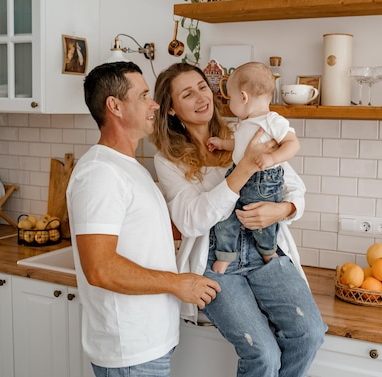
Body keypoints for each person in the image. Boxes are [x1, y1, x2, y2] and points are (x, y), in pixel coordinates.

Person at [150, 62, 326, 377]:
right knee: (263, 355)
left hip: (265, 252)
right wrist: (244, 166)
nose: (201, 98)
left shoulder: (245, 130)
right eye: (187, 94)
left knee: (310, 333)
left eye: (203, 87)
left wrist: (282, 210)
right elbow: (192, 221)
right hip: (216, 263)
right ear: (172, 109)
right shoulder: (167, 159)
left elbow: (294, 188)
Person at [66, 61, 221, 377]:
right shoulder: (100, 173)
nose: (154, 105)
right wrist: (177, 283)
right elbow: (99, 267)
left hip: (149, 342)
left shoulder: (129, 166)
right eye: (143, 96)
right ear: (115, 106)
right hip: (129, 350)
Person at [206, 62, 300, 274]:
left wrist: (272, 158)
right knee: (226, 217)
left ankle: (268, 251)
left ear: (243, 97)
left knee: (261, 221)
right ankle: (225, 255)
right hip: (239, 176)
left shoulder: (272, 120)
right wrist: (222, 144)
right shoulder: (245, 123)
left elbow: (293, 144)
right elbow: (241, 147)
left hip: (263, 180)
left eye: (229, 99)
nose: (229, 104)